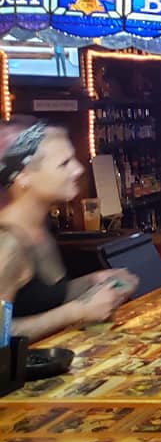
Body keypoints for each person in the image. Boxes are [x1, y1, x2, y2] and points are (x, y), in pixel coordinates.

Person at [0, 120, 137, 342]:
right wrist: (78, 312)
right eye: (64, 164)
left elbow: (38, 300)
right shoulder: (7, 242)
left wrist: (92, 281)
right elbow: (1, 334)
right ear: (23, 176)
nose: (79, 169)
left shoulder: (39, 227)